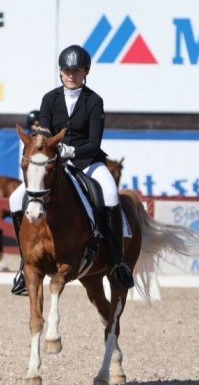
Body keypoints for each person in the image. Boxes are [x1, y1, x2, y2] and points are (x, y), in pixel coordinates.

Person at [9, 44, 134, 296]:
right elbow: (44, 133)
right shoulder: (50, 99)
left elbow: (94, 141)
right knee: (14, 199)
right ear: (61, 72)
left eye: (76, 71)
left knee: (109, 194)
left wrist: (72, 151)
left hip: (87, 161)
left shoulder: (94, 101)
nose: (71, 75)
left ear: (85, 72)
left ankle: (118, 262)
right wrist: (51, 150)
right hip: (55, 164)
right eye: (67, 70)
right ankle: (24, 266)